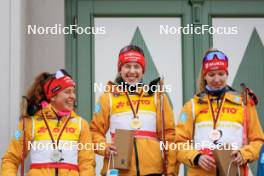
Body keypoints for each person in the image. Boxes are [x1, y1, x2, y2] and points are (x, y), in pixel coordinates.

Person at [90, 44, 177, 175]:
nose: (132, 71)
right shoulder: (107, 98)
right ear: (120, 69)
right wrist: (105, 148)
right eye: (127, 66)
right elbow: (94, 132)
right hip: (118, 170)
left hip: (152, 171)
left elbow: (169, 136)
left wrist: (171, 171)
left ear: (143, 70)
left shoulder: (156, 97)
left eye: (137, 66)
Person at [175, 49, 264, 175]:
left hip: (234, 171)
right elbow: (178, 142)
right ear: (204, 76)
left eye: (221, 74)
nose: (217, 79)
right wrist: (196, 157)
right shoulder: (192, 106)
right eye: (211, 75)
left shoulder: (244, 103)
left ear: (227, 74)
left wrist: (244, 154)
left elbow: (258, 140)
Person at [1, 69, 95, 176]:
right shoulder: (30, 123)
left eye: (73, 92)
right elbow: (11, 159)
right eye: (67, 92)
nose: (73, 96)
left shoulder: (81, 124)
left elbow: (87, 163)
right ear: (53, 96)